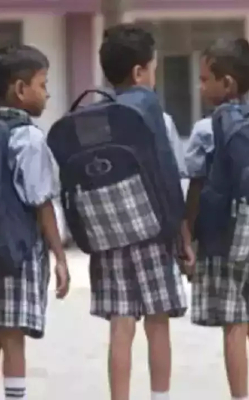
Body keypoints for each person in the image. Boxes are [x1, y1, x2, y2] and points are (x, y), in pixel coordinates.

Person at [91, 24, 190, 400]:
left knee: (121, 325)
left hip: (110, 234)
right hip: (153, 232)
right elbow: (170, 176)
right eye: (152, 68)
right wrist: (183, 236)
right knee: (157, 322)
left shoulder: (96, 117)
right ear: (138, 72)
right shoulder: (157, 118)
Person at [182, 38, 249, 400]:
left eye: (206, 78)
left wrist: (187, 233)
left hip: (221, 240)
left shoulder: (206, 130)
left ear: (228, 83)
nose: (201, 85)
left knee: (233, 326)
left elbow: (196, 186)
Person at [0, 44, 70, 400]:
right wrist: (59, 257)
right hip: (18, 253)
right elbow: (41, 202)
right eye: (42, 84)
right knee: (12, 338)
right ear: (20, 88)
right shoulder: (27, 137)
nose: (47, 93)